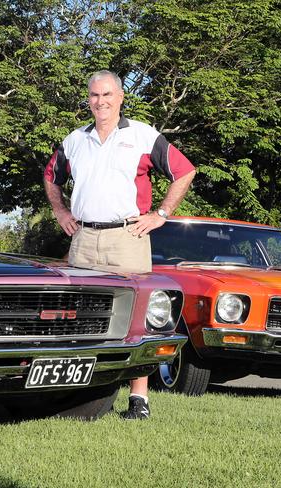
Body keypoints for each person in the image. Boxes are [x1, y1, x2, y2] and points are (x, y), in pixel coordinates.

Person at [44, 70, 195, 419]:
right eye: (95, 95)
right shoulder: (75, 140)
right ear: (88, 99)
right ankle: (80, 394)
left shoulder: (142, 135)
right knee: (80, 316)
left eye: (108, 95)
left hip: (128, 237)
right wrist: (60, 211)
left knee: (134, 319)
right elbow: (51, 176)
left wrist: (161, 213)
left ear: (121, 96)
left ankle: (138, 400)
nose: (101, 102)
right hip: (83, 239)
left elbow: (184, 171)